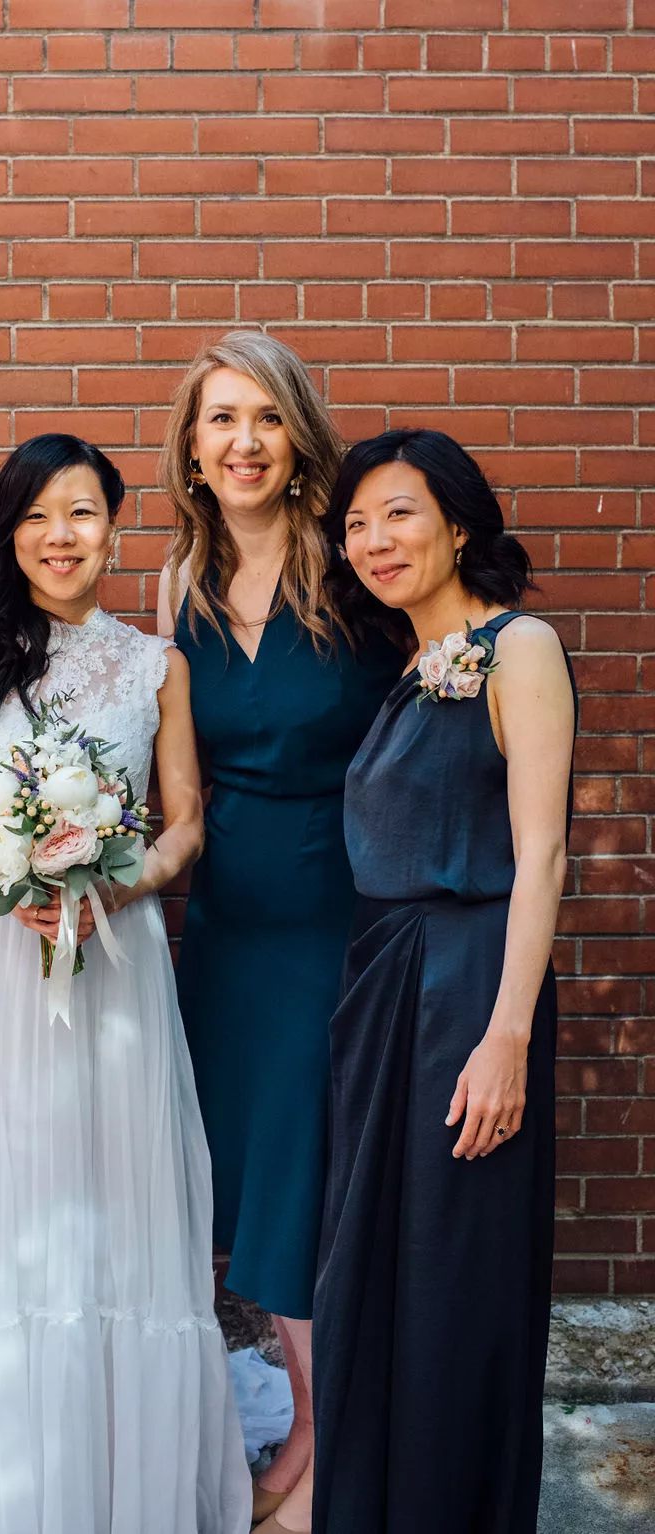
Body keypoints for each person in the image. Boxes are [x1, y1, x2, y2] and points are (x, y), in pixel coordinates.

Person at [0, 433, 251, 1534]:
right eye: (39, 515)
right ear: (9, 530)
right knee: (2, 1187)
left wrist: (116, 879)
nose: (61, 535)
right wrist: (12, 875)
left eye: (83, 512)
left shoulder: (155, 665)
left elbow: (185, 820)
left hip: (117, 953)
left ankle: (120, 1475)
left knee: (114, 1191)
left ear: (113, 525)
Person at [156, 331, 402, 1534]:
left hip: (337, 914)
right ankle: (315, 1413)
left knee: (304, 1183)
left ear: (297, 436)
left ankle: (316, 1439)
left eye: (263, 418)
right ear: (191, 451)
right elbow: (173, 783)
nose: (241, 442)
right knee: (246, 1182)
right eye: (219, 421)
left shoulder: (355, 567)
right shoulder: (176, 587)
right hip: (224, 926)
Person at [311, 429, 576, 1534]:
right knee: (368, 1270)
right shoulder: (412, 668)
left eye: (400, 513)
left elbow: (543, 854)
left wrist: (506, 1033)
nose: (374, 540)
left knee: (450, 1271)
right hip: (382, 986)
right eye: (356, 523)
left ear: (459, 523)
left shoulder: (518, 648)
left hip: (468, 988)